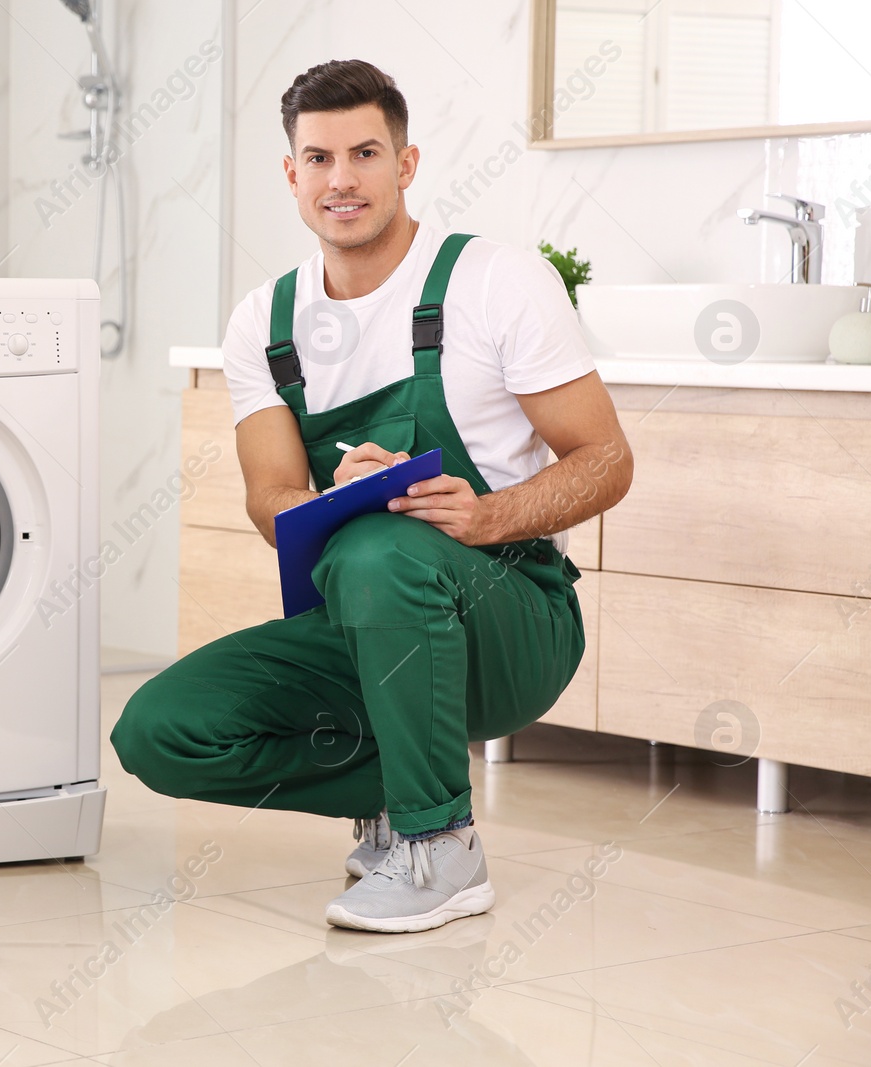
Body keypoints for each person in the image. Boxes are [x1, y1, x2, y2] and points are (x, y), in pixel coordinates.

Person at [111, 59, 633, 933]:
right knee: (162, 729)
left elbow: (608, 459)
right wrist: (336, 494)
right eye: (318, 159)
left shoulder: (494, 281)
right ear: (291, 175)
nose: (341, 179)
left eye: (364, 153)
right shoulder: (264, 323)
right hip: (368, 620)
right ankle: (401, 795)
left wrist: (488, 513)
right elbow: (271, 499)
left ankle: (443, 846)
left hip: (515, 617)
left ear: (407, 162)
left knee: (376, 549)